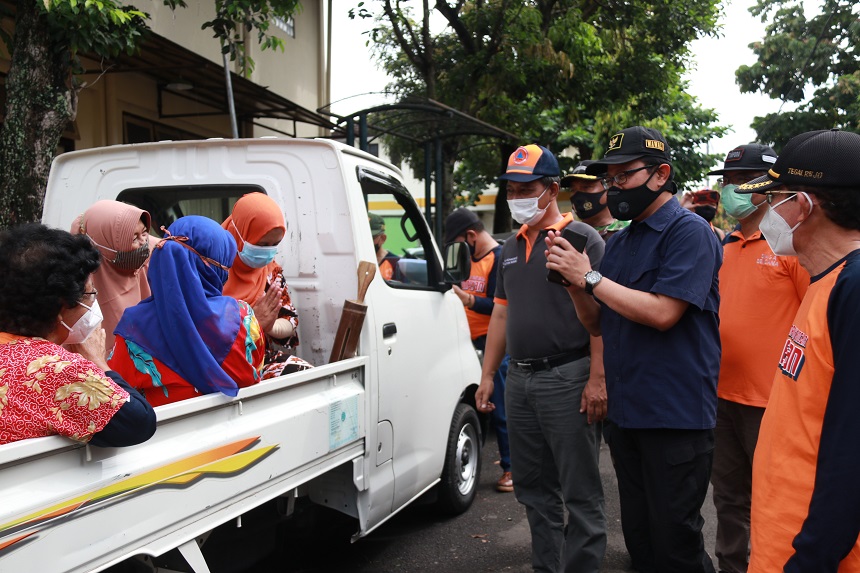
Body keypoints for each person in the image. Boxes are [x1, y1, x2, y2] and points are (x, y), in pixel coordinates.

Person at [546, 126, 721, 573]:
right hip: (629, 415)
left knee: (676, 541)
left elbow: (664, 313)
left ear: (660, 174)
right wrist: (571, 282)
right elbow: (598, 322)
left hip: (674, 416)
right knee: (641, 540)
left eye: (624, 176)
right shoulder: (622, 242)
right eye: (610, 179)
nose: (613, 188)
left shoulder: (690, 233)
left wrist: (590, 278)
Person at [475, 144, 607, 572]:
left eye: (526, 188)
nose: (517, 197)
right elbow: (500, 311)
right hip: (522, 380)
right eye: (511, 190)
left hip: (569, 375)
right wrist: (489, 374)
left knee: (580, 490)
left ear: (552, 189)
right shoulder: (509, 247)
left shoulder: (583, 238)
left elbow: (604, 315)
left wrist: (597, 378)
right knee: (533, 488)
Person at [733, 129, 860, 571]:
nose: (767, 211)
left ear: (803, 206)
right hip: (783, 541)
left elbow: (852, 451)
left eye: (775, 198)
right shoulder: (824, 280)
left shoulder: (854, 289)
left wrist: (810, 558)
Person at [705, 143, 809, 573]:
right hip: (721, 396)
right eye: (727, 181)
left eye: (740, 182)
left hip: (772, 402)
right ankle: (732, 566)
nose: (730, 190)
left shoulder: (789, 248)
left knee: (775, 498)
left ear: (771, 190)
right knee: (728, 497)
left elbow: (811, 324)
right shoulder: (722, 246)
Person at [0, 223, 156, 446]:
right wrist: (97, 361)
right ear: (63, 306)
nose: (93, 304)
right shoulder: (55, 370)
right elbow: (140, 422)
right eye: (90, 294)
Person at [109, 216, 266, 406]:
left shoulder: (133, 327)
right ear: (211, 267)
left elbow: (116, 395)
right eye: (225, 265)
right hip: (240, 425)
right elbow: (256, 374)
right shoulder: (243, 316)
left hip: (165, 432)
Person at [444, 207, 512, 493]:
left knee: (501, 409)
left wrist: (469, 300)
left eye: (458, 241)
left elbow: (501, 307)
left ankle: (512, 468)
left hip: (492, 343)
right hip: (464, 339)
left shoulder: (500, 258)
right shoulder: (464, 258)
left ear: (470, 235)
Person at [222, 193, 311, 378]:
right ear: (239, 233)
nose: (267, 252)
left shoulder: (270, 273)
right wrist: (251, 323)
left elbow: (290, 320)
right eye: (262, 244)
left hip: (258, 359)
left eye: (274, 244)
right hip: (218, 361)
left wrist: (270, 326)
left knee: (302, 374)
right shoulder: (211, 268)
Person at [70, 200, 158, 356]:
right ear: (103, 244)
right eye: (133, 238)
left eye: (144, 232)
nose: (144, 242)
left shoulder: (156, 252)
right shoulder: (77, 277)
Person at [562, 160, 629, 239]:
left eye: (586, 187)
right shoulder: (566, 235)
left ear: (608, 186)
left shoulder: (629, 231)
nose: (578, 195)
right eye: (572, 190)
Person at [369, 213, 401, 281]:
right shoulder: (355, 261)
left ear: (383, 238)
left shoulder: (395, 263)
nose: (366, 242)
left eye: (371, 238)